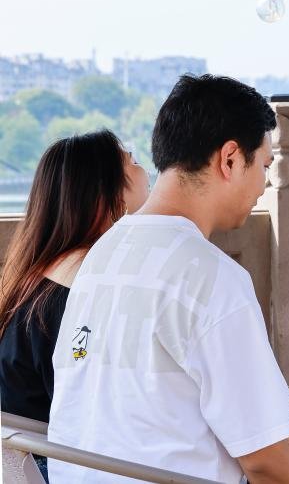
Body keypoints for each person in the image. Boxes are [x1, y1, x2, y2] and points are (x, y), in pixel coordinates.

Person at [48, 75, 289, 483]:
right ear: (229, 159)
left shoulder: (102, 254)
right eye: (264, 165)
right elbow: (266, 459)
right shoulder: (211, 277)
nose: (264, 183)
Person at [0, 131, 149, 480]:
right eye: (133, 161)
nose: (145, 171)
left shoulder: (43, 275)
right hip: (58, 464)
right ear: (105, 194)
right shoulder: (83, 285)